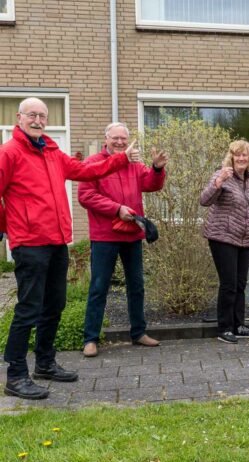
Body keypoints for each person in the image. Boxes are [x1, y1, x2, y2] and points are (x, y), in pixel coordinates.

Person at [0, 97, 141, 399]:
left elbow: (84, 171)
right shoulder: (9, 152)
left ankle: (45, 363)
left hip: (56, 241)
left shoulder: (52, 152)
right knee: (28, 309)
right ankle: (15, 375)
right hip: (30, 244)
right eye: (32, 115)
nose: (38, 120)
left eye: (42, 116)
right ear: (20, 118)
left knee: (55, 305)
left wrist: (121, 159)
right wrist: (9, 225)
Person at [78, 122, 168, 357]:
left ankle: (138, 332)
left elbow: (150, 185)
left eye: (123, 139)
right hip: (104, 235)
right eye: (115, 138)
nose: (119, 142)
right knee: (99, 286)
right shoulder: (92, 163)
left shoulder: (135, 164)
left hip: (132, 234)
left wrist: (157, 169)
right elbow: (85, 195)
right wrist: (116, 209)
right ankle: (90, 338)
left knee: (136, 285)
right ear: (105, 138)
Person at [200, 140, 249, 344]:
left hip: (244, 238)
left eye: (245, 155)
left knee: (241, 283)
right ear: (231, 157)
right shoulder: (222, 174)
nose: (241, 158)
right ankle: (224, 328)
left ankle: (238, 325)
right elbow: (204, 200)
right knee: (229, 284)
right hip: (222, 236)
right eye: (237, 155)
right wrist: (217, 184)